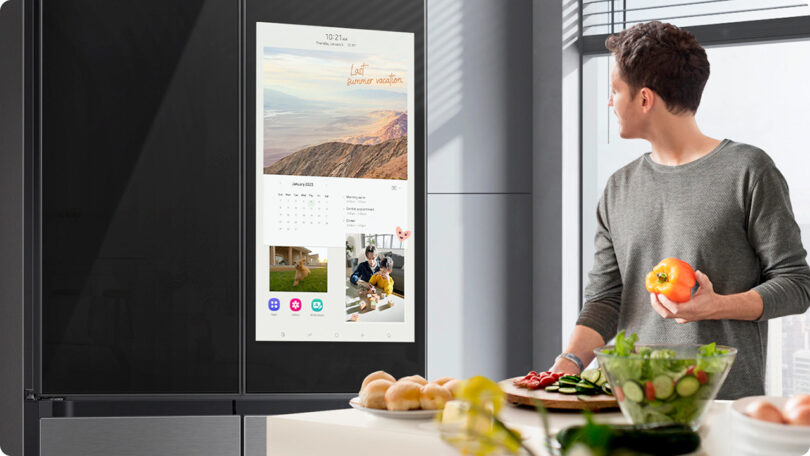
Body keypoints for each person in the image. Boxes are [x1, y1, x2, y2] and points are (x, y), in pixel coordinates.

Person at [549, 21, 810, 399]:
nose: (610, 103)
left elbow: (796, 285)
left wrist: (716, 306)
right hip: (631, 406)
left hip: (721, 407)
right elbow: (606, 299)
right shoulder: (618, 187)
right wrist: (569, 362)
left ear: (643, 99)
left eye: (615, 91)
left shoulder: (749, 170)